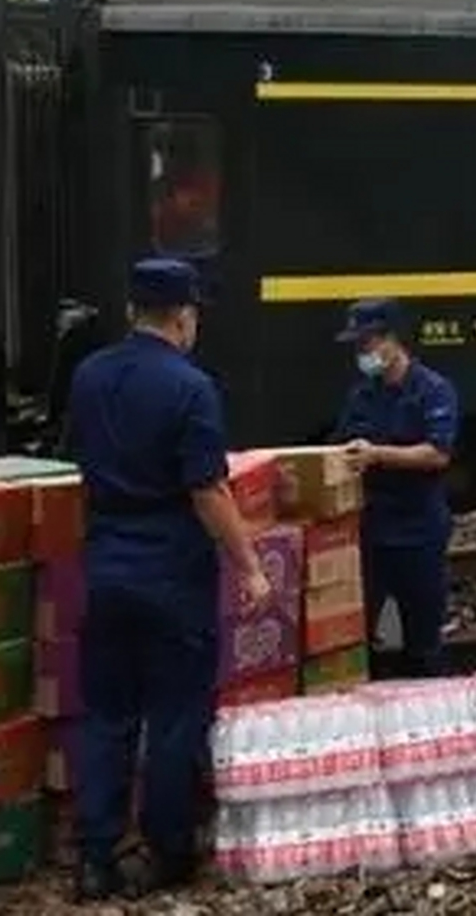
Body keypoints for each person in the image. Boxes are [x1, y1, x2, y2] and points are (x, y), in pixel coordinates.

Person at [66, 258, 271, 900]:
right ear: (184, 317)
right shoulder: (191, 387)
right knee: (176, 716)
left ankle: (94, 857)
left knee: (105, 716)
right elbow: (208, 491)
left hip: (105, 568)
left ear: (132, 311)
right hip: (172, 574)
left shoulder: (88, 376)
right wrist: (252, 568)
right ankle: (167, 852)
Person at [332, 297, 461, 679]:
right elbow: (341, 445)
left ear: (392, 340)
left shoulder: (433, 390)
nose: (363, 353)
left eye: (368, 343)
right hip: (372, 530)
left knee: (424, 641)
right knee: (358, 638)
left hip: (419, 531)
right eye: (358, 346)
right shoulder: (362, 394)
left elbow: (437, 454)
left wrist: (377, 455)